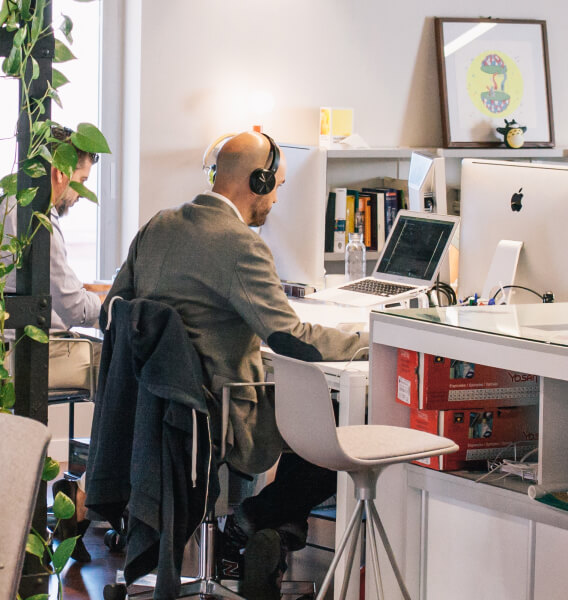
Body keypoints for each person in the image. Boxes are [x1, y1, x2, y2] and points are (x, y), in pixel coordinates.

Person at [100, 131, 369, 600]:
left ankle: (275, 535)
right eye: (278, 185)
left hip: (159, 411)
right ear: (257, 181)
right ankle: (258, 522)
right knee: (342, 426)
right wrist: (367, 343)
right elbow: (291, 338)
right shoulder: (240, 245)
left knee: (312, 408)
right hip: (221, 414)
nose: (277, 197)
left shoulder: (157, 226)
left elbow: (113, 309)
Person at [4, 126, 102, 562]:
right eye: (80, 180)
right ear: (60, 173)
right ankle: (87, 494)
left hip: (12, 341)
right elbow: (75, 309)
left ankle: (82, 493)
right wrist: (115, 298)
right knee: (120, 360)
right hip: (23, 352)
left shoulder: (10, 201)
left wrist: (91, 292)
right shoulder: (40, 219)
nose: (80, 194)